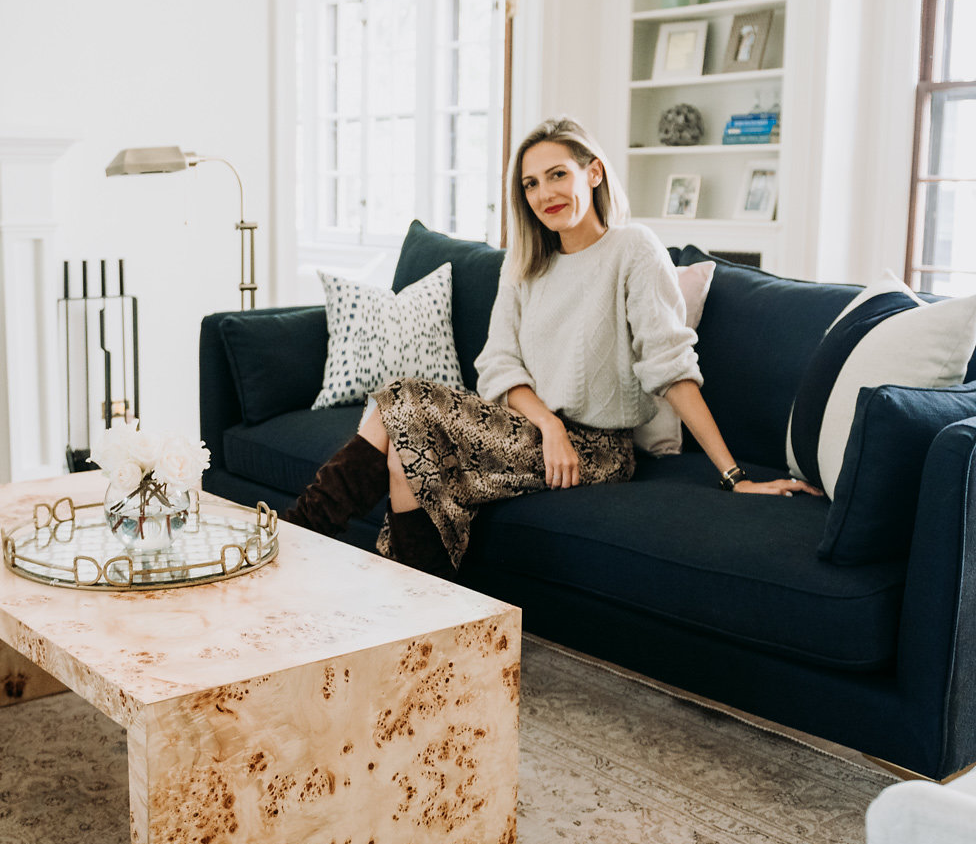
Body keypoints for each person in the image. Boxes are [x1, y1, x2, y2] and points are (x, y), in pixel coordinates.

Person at [283, 116, 818, 575]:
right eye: (532, 184)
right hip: (533, 430)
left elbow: (670, 366)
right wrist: (548, 424)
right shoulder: (526, 263)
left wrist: (734, 476)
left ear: (594, 172)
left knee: (400, 399)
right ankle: (414, 615)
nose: (545, 194)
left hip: (600, 451)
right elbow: (497, 363)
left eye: (557, 175)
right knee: (407, 456)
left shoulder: (633, 249)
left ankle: (296, 541)